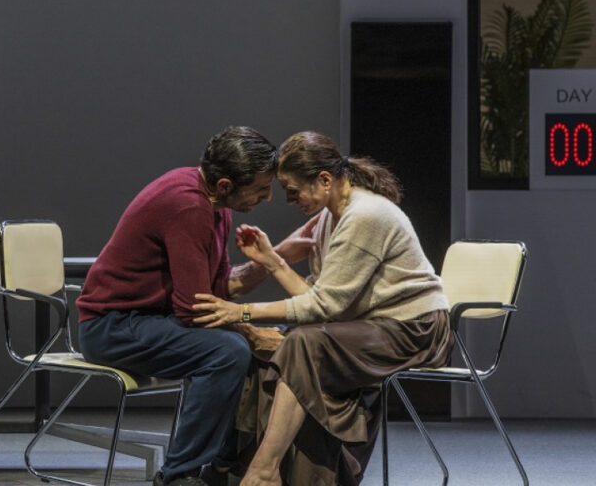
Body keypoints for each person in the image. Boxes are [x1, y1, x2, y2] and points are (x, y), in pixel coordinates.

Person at [192, 131, 453, 486]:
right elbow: (321, 299)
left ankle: (265, 470)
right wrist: (272, 261)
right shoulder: (331, 217)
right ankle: (246, 468)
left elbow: (323, 307)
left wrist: (242, 312)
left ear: (325, 180)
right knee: (267, 347)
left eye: (293, 190)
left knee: (302, 344)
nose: (289, 200)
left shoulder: (365, 215)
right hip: (368, 326)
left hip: (413, 329)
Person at [76, 126, 314, 486]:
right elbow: (194, 310)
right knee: (228, 352)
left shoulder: (216, 203)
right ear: (225, 185)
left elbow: (215, 290)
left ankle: (223, 467)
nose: (268, 197)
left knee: (251, 343)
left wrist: (273, 260)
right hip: (110, 326)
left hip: (150, 319)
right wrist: (250, 332)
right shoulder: (188, 205)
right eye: (261, 188)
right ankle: (178, 476)